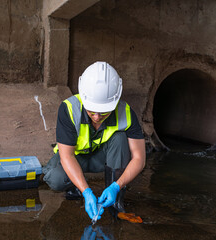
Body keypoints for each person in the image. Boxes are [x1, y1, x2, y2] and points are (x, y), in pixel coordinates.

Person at [42, 61, 146, 221]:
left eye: (103, 112)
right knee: (55, 178)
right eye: (92, 111)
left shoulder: (126, 112)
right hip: (76, 158)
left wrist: (116, 186)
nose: (97, 117)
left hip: (103, 158)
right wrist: (86, 191)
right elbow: (67, 156)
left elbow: (139, 158)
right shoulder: (69, 109)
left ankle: (115, 201)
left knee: (120, 138)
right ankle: (76, 187)